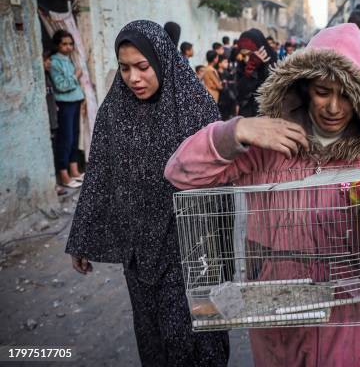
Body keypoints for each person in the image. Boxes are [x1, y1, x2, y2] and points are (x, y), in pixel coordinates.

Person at [164, 23, 360, 366]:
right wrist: (237, 130)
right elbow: (179, 173)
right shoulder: (268, 140)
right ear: (304, 87)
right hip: (280, 318)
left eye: (346, 95)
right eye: (323, 91)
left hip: (354, 326)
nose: (333, 107)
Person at [65, 20, 229, 367]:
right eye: (124, 68)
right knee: (152, 336)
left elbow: (222, 176)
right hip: (138, 250)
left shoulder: (194, 106)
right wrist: (81, 238)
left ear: (163, 60)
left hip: (188, 249)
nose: (133, 78)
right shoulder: (114, 109)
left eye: (143, 66)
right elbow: (99, 173)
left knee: (189, 336)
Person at [49, 29, 85, 189]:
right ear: (57, 45)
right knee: (66, 138)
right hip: (65, 104)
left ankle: (74, 171)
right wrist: (75, 76)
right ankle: (64, 175)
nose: (68, 47)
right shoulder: (54, 62)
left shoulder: (69, 59)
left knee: (75, 136)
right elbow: (61, 86)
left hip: (75, 102)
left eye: (71, 44)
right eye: (64, 44)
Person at [235, 28, 277, 117]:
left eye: (250, 54)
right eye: (243, 55)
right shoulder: (242, 65)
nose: (246, 59)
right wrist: (250, 69)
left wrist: (263, 66)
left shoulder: (273, 63)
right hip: (247, 117)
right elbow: (240, 93)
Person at [43, 50, 66, 196]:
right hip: (47, 122)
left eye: (49, 60)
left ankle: (56, 182)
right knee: (50, 152)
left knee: (55, 148)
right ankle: (54, 184)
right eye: (45, 60)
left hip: (53, 120)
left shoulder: (47, 77)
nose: (49, 63)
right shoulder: (41, 80)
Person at [216, 55, 237, 121]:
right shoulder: (217, 74)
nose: (227, 64)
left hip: (230, 99)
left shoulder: (228, 73)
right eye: (225, 62)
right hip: (222, 101)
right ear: (219, 64)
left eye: (227, 62)